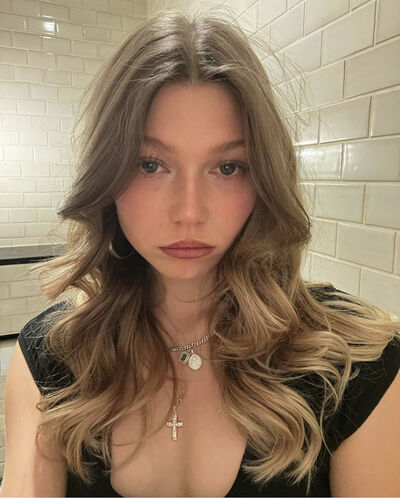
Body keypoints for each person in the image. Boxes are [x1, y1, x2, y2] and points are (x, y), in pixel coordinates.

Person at [1, 9, 400, 498]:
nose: (189, 212)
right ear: (106, 175)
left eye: (227, 167)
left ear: (264, 179)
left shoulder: (354, 363)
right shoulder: (52, 356)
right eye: (150, 164)